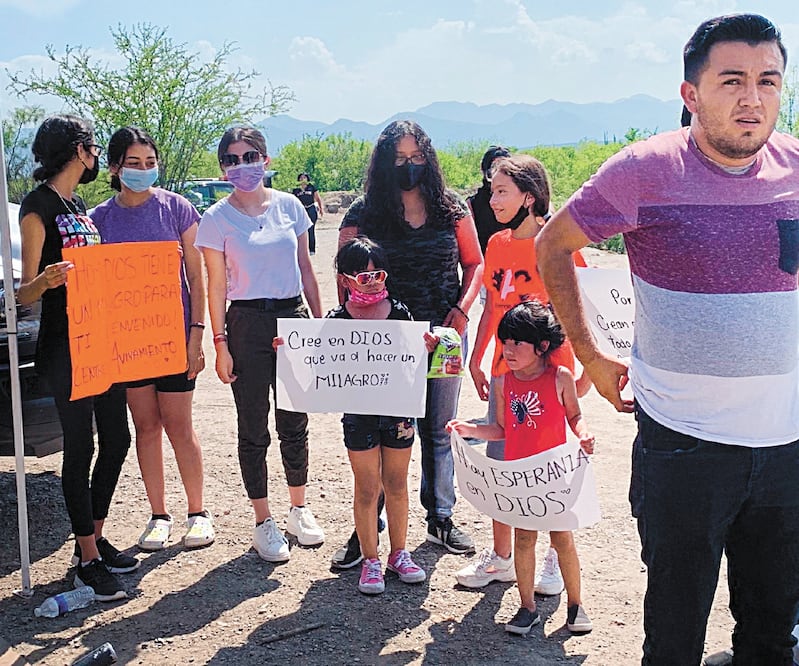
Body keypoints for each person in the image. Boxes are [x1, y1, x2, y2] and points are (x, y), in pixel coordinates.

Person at [536, 13, 799, 665]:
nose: (751, 98)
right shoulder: (644, 171)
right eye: (731, 80)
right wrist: (591, 356)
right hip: (684, 446)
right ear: (691, 94)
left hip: (788, 447)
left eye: (767, 80)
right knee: (675, 637)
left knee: (771, 633)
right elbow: (552, 245)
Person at [337, 119, 483, 560]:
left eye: (416, 157)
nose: (409, 165)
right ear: (384, 162)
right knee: (381, 435)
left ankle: (440, 517)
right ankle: (367, 528)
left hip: (443, 338)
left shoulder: (450, 208)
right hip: (384, 346)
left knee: (438, 431)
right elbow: (345, 274)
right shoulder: (363, 212)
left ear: (429, 158)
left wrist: (459, 313)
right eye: (399, 158)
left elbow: (475, 264)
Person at [456, 154, 589, 595]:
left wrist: (587, 371)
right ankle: (502, 557)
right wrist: (478, 358)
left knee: (550, 466)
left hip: (552, 375)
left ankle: (553, 557)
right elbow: (493, 308)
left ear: (528, 196)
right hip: (504, 372)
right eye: (492, 190)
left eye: (501, 191)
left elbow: (586, 310)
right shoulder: (496, 244)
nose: (491, 199)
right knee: (503, 464)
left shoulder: (561, 243)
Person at [17, 115, 135, 601]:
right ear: (78, 150)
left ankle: (94, 536)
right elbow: (23, 293)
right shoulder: (36, 207)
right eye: (91, 149)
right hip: (65, 346)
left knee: (116, 439)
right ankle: (87, 559)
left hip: (100, 338)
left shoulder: (78, 204)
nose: (94, 159)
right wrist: (47, 280)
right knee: (80, 447)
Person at [195, 126, 324, 564]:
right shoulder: (215, 219)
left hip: (293, 318)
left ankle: (298, 509)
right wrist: (220, 342)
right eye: (231, 159)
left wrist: (319, 325)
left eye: (250, 155)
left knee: (295, 420)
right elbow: (215, 286)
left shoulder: (290, 205)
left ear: (266, 160)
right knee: (253, 426)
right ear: (223, 168)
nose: (241, 165)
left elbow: (306, 268)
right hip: (245, 323)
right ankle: (263, 521)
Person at [90, 126, 214, 552]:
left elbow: (197, 278)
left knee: (180, 426)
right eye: (133, 163)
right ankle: (158, 514)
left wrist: (196, 335)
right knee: (146, 427)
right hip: (128, 344)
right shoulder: (99, 219)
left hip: (175, 339)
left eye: (149, 163)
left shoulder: (177, 208)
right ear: (114, 167)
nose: (143, 170)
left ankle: (197, 512)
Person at [287, 236, 426, 594]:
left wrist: (428, 349)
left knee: (397, 484)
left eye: (379, 274)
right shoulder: (337, 321)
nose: (374, 282)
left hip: (398, 413)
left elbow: (417, 363)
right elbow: (315, 368)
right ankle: (370, 559)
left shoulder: (401, 313)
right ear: (346, 280)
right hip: (359, 418)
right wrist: (290, 353)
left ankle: (399, 553)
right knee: (367, 488)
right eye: (363, 277)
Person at [448, 301, 595, 635]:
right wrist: (470, 430)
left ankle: (575, 605)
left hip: (554, 476)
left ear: (542, 346)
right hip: (520, 478)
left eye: (517, 343)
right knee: (524, 541)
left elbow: (574, 415)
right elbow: (501, 429)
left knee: (562, 540)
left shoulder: (560, 377)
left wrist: (583, 435)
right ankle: (527, 607)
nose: (508, 350)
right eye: (505, 342)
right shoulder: (503, 382)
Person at [467, 145, 510, 256]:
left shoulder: (521, 198)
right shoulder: (472, 204)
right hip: (487, 264)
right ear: (485, 170)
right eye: (494, 167)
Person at [291, 172, 323, 255]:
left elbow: (317, 198)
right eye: (301, 178)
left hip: (311, 208)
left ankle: (312, 249)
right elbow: (293, 201)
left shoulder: (311, 187)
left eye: (304, 177)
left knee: (311, 229)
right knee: (301, 230)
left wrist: (321, 209)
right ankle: (301, 250)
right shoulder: (296, 189)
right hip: (301, 210)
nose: (303, 179)